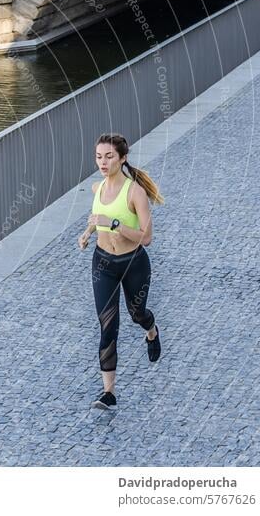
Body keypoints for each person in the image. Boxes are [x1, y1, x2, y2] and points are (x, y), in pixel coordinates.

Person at [77, 133, 165, 410]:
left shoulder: (135, 193)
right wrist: (88, 232)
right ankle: (109, 393)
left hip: (133, 263)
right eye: (98, 157)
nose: (102, 162)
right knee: (108, 326)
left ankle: (151, 331)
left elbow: (146, 236)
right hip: (103, 264)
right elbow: (96, 215)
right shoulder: (97, 188)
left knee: (136, 313)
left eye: (109, 156)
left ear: (123, 158)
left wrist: (113, 223)